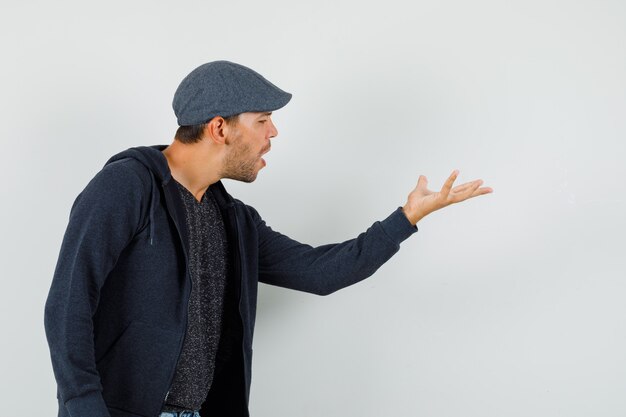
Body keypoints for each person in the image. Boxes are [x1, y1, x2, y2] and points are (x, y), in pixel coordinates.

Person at [44, 60, 493, 417]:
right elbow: (68, 304)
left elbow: (321, 272)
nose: (273, 133)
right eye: (262, 121)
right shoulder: (127, 187)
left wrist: (407, 217)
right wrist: (83, 407)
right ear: (219, 128)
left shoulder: (234, 218)